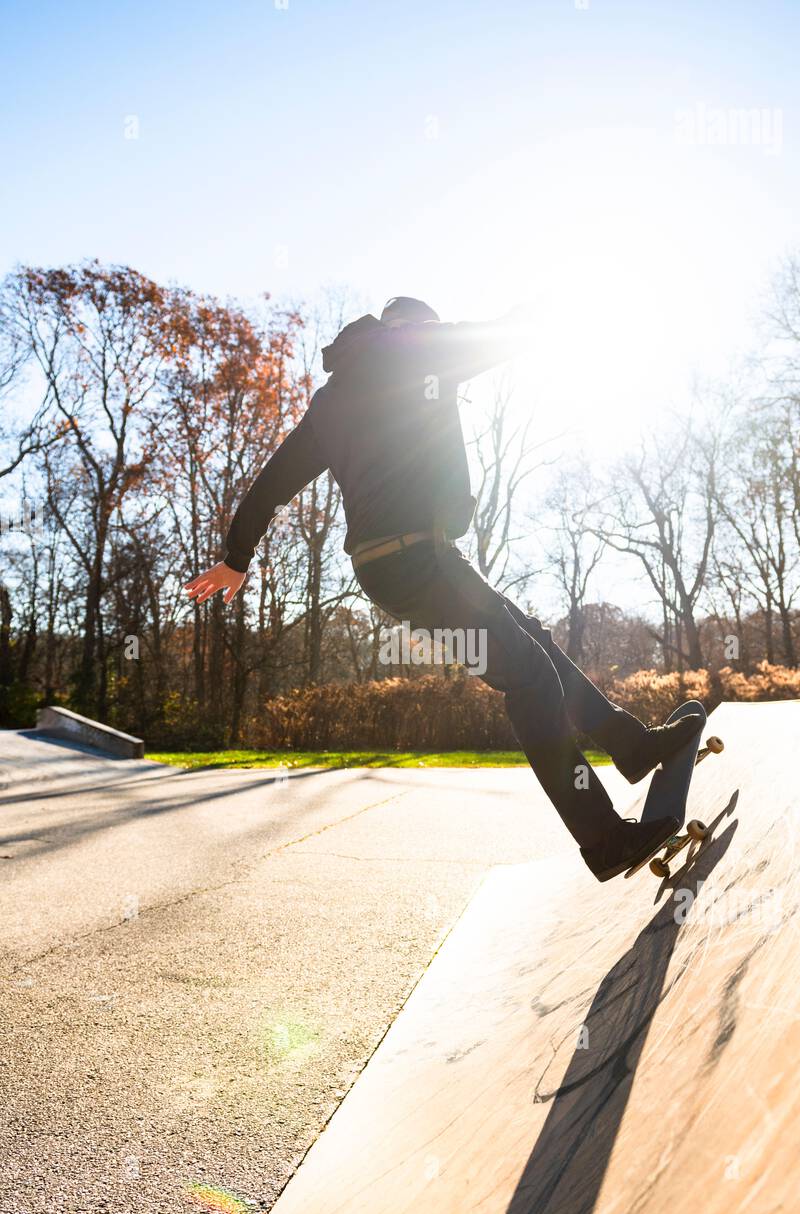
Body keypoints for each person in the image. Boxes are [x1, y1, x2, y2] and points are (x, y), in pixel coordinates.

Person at [186, 296, 700, 881]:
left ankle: (630, 745)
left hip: (397, 565)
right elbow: (505, 333)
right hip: (419, 562)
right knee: (529, 681)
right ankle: (603, 837)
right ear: (412, 328)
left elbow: (273, 481)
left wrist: (236, 557)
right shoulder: (418, 350)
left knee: (533, 646)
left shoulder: (333, 401)